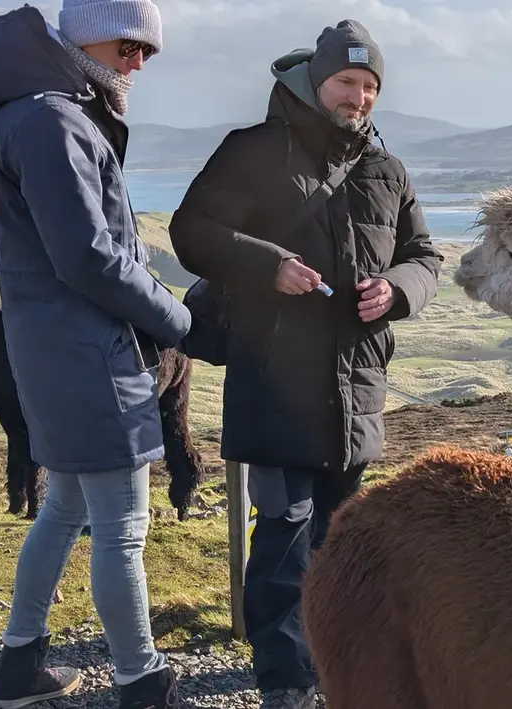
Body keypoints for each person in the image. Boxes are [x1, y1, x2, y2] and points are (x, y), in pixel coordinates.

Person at [167, 18, 442, 709]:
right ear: (316, 82)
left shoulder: (388, 170)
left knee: (340, 543)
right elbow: (191, 232)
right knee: (285, 533)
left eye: (370, 86)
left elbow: (424, 257)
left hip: (358, 385)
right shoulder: (254, 150)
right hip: (273, 378)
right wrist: (269, 265)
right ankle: (284, 680)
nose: (359, 97)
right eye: (348, 81)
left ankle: (338, 672)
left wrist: (397, 291)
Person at [0, 1, 198, 707]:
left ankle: (18, 666)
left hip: (55, 352)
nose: (139, 62)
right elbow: (90, 257)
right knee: (122, 527)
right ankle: (142, 680)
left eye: (149, 51)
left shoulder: (32, 111)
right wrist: (179, 319)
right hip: (93, 355)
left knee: (61, 506)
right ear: (86, 36)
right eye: (129, 45)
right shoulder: (53, 120)